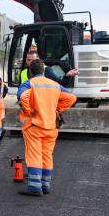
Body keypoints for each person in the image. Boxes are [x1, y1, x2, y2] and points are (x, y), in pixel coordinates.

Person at [17, 58, 77, 197]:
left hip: (35, 126)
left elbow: (23, 96)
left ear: (30, 71)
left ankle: (35, 188)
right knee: (47, 155)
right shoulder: (54, 85)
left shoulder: (29, 83)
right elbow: (71, 97)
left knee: (34, 155)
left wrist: (28, 111)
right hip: (51, 126)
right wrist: (57, 108)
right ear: (43, 70)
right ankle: (45, 185)